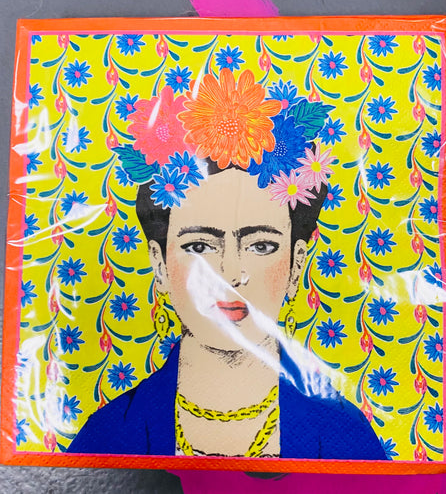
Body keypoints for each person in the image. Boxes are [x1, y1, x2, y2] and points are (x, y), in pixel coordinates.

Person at [68, 68, 387, 460]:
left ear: (296, 263)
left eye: (261, 245)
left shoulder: (346, 435)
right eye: (199, 245)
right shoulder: (108, 435)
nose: (231, 273)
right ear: (160, 263)